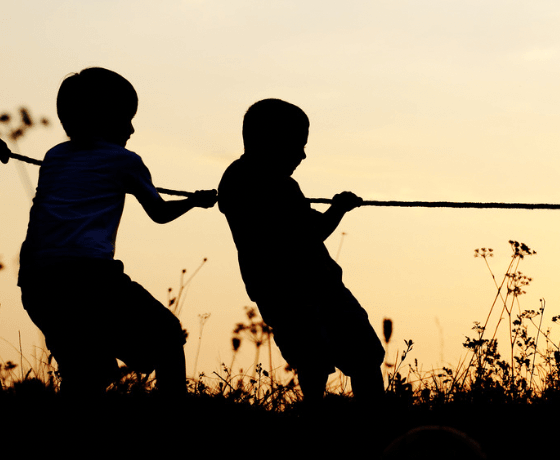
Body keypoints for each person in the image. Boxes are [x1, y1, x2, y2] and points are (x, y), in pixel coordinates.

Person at [18, 67, 217, 396]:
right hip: (89, 276)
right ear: (104, 118)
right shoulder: (124, 160)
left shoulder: (54, 157)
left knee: (87, 372)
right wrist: (194, 202)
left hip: (37, 281)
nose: (132, 128)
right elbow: (160, 213)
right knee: (167, 337)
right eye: (126, 118)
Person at [218, 98, 384, 400]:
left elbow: (306, 223)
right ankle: (353, 427)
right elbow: (313, 232)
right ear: (271, 140)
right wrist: (339, 209)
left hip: (302, 288)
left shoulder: (245, 179)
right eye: (298, 144)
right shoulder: (271, 184)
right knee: (329, 359)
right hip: (291, 291)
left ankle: (350, 423)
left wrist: (334, 210)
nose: (303, 155)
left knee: (348, 357)